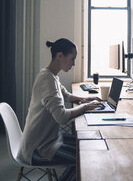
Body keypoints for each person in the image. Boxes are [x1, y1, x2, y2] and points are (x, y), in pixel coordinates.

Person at [17, 38, 103, 181]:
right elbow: (61, 117)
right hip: (38, 149)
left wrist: (84, 100)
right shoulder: (47, 80)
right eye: (72, 59)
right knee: (84, 158)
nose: (74, 64)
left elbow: (66, 95)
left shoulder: (51, 76)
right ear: (60, 56)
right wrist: (85, 107)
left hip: (48, 140)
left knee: (85, 143)